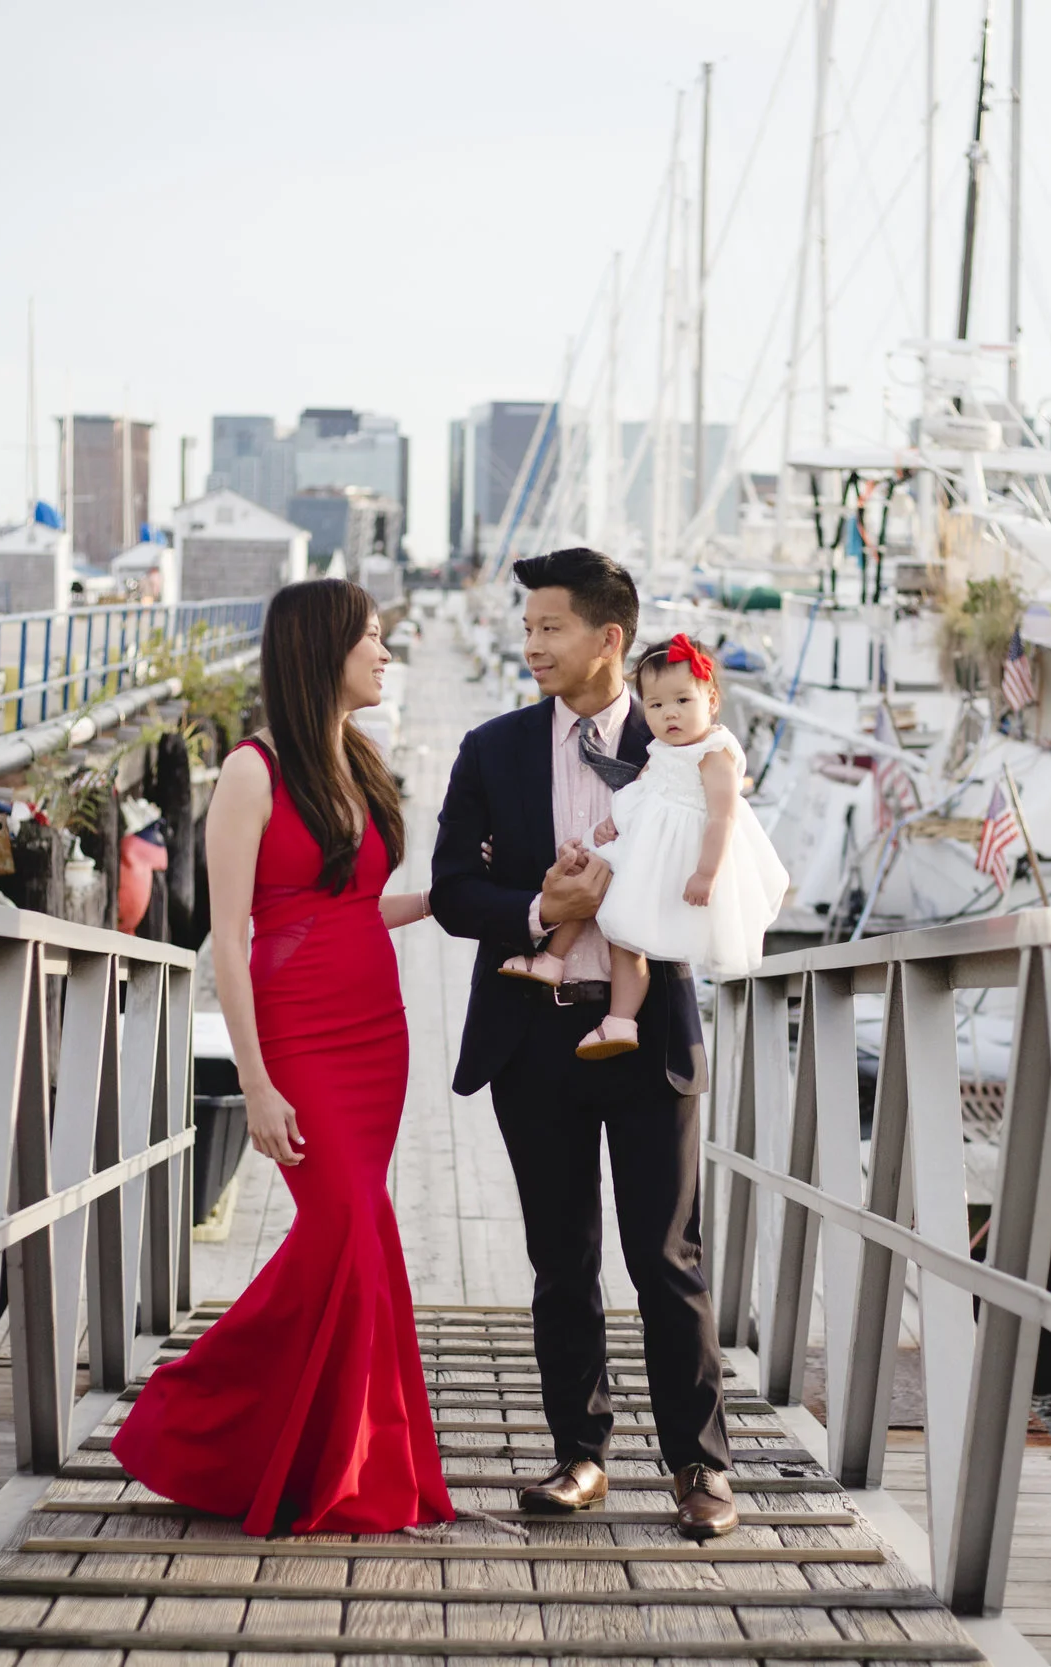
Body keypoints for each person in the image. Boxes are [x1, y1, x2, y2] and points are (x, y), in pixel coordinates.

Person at [110, 577, 451, 1536]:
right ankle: (191, 1419)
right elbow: (230, 939)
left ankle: (335, 1461)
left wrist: (434, 901)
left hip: (377, 1030)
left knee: (357, 1247)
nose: (386, 654)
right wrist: (256, 1086)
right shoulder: (253, 772)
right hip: (298, 1038)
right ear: (320, 651)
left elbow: (350, 907)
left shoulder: (363, 759)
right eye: (372, 639)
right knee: (344, 1232)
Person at [430, 547, 738, 1541]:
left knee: (665, 1255)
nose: (530, 646)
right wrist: (536, 906)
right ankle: (581, 1453)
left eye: (549, 628)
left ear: (609, 638)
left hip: (647, 1030)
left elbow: (725, 871)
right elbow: (448, 890)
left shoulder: (681, 744)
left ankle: (701, 1468)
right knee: (560, 1257)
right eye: (525, 629)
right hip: (536, 1033)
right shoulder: (491, 747)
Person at [500, 633, 787, 1061]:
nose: (669, 714)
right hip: (641, 847)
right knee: (589, 883)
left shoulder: (714, 752)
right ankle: (553, 960)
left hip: (673, 861)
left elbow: (722, 817)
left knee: (626, 936)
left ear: (711, 701)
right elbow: (643, 791)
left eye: (682, 701)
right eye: (655, 705)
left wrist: (705, 873)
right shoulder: (662, 750)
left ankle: (620, 1019)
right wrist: (612, 822)